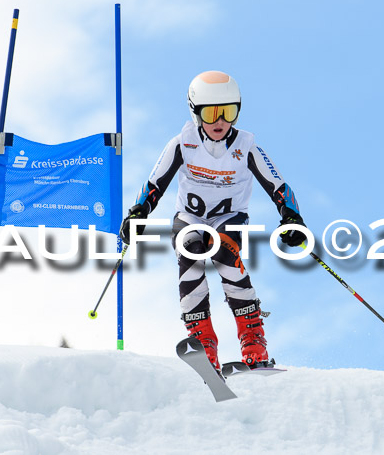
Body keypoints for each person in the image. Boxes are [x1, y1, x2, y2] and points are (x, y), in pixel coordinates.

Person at [120, 71, 307, 371]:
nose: (220, 122)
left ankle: (253, 339)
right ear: (195, 112)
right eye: (210, 113)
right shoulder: (183, 143)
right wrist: (138, 213)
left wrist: (292, 218)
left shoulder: (246, 146)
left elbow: (279, 187)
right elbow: (155, 183)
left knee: (224, 251)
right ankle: (203, 342)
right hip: (190, 217)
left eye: (228, 112)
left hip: (229, 217)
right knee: (191, 249)